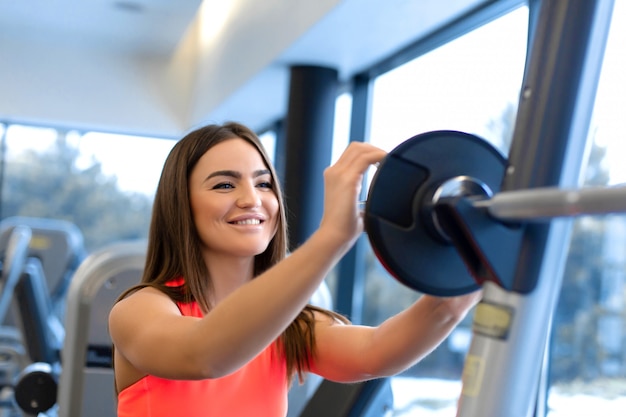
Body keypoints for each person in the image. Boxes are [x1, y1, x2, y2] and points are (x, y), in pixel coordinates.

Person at [108, 121, 481, 417]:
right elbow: (204, 353)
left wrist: (457, 291)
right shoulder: (139, 311)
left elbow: (376, 351)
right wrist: (332, 237)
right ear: (181, 205)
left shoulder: (289, 328)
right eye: (224, 184)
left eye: (263, 183)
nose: (251, 199)